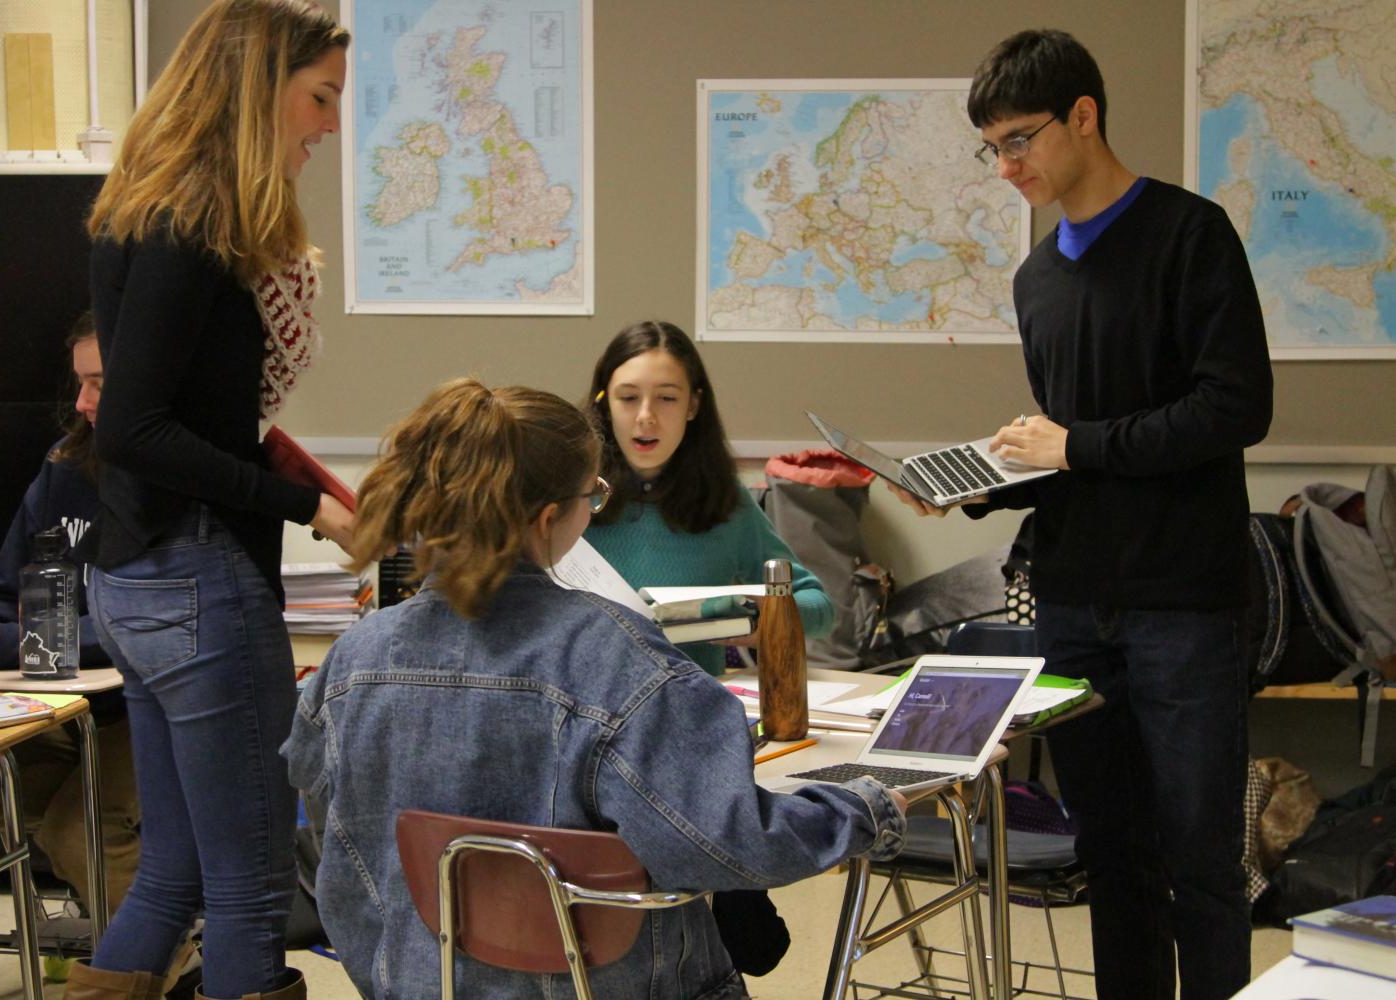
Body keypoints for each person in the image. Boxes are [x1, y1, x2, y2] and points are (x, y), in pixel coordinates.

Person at [281, 378, 906, 1000]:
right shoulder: (619, 658)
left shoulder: (353, 658)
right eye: (594, 495)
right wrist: (862, 810)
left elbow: (311, 781)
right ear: (552, 518)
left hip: (414, 982)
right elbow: (729, 839)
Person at [892, 29, 1274, 1000]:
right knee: (1112, 860)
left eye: (1019, 140)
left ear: (1084, 117)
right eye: (993, 149)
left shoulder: (1191, 238)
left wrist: (1072, 446)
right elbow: (1072, 453)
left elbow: (1236, 408)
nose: (1007, 166)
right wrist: (985, 478)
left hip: (1184, 605)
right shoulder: (1037, 283)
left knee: (1201, 866)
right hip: (1072, 606)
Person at [68, 2, 353, 998]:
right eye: (319, 98)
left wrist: (296, 482)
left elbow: (179, 416)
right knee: (249, 884)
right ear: (256, 82)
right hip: (198, 582)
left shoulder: (145, 207)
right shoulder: (195, 225)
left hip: (135, 578)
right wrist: (303, 508)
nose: (327, 125)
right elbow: (133, 426)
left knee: (176, 871)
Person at [0, 314, 143, 927]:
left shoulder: (182, 484)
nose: (83, 402)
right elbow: (3, 590)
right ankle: (149, 892)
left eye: (98, 384)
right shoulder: (65, 468)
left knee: (76, 829)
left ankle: (157, 966)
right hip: (62, 705)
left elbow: (147, 627)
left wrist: (4, 645)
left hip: (153, 707)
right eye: (79, 384)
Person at [583, 320, 835, 678]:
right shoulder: (570, 497)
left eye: (667, 398)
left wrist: (757, 616)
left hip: (691, 713)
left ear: (692, 405)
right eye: (627, 398)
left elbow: (819, 607)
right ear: (604, 403)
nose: (645, 417)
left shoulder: (724, 502)